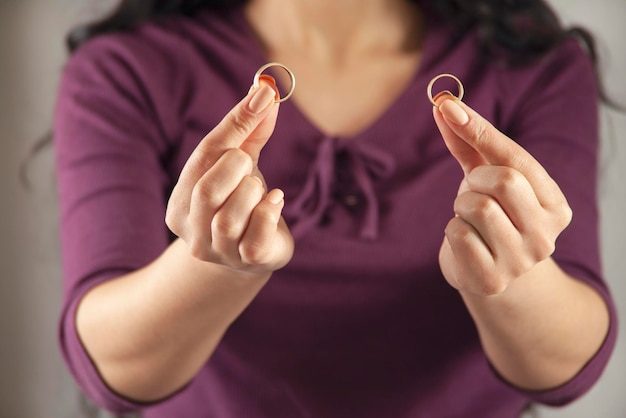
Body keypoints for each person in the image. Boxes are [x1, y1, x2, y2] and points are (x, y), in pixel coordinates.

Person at [54, 0, 617, 417]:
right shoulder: (128, 69)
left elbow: (565, 366)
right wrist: (217, 264)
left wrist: (508, 275)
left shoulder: (534, 65)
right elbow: (112, 364)